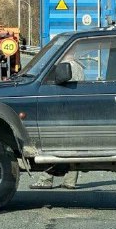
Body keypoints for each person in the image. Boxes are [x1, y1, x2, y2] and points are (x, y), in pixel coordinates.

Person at [30, 47, 83, 190]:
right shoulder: (79, 67)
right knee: (73, 149)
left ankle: (46, 179)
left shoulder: (65, 67)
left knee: (53, 146)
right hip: (75, 112)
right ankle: (70, 181)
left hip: (63, 112)